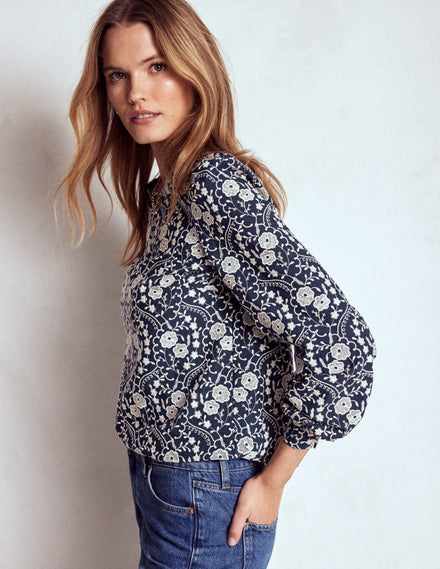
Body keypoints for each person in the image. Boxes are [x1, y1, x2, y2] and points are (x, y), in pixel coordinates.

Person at [57, 0, 376, 567]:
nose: (135, 93)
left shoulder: (212, 183)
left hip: (207, 486)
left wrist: (276, 478)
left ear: (195, 72)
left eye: (157, 67)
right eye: (117, 75)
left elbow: (340, 337)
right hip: (168, 479)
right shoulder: (167, 191)